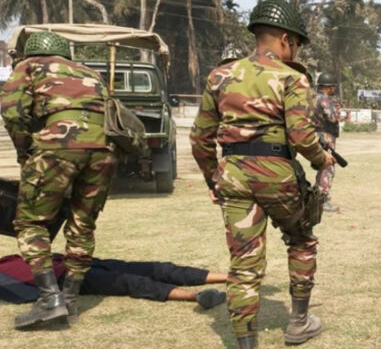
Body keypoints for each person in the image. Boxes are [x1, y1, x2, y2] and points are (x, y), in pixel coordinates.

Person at [191, 0, 334, 349]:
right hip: (278, 175)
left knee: (243, 268)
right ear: (286, 39)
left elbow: (200, 139)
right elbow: (302, 137)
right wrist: (323, 160)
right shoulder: (291, 77)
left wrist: (213, 179)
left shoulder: (220, 76)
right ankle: (299, 322)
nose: (296, 52)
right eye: (297, 45)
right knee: (302, 238)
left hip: (234, 176)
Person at [0, 31, 116, 329]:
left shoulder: (29, 66)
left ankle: (49, 300)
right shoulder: (90, 72)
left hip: (56, 147)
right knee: (82, 223)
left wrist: (25, 148)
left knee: (29, 222)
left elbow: (12, 112)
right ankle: (70, 300)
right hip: (104, 150)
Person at [0, 253, 227, 309]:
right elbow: (26, 294)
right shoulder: (4, 280)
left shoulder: (7, 260)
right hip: (69, 277)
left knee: (152, 268)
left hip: (75, 260)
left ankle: (227, 277)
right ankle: (196, 297)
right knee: (131, 282)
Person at [313, 72, 344, 213]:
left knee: (322, 166)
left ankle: (316, 197)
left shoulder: (312, 97)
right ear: (328, 87)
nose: (334, 90)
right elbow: (332, 118)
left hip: (315, 135)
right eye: (333, 87)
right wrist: (337, 110)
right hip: (325, 136)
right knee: (327, 167)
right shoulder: (325, 99)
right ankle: (321, 200)